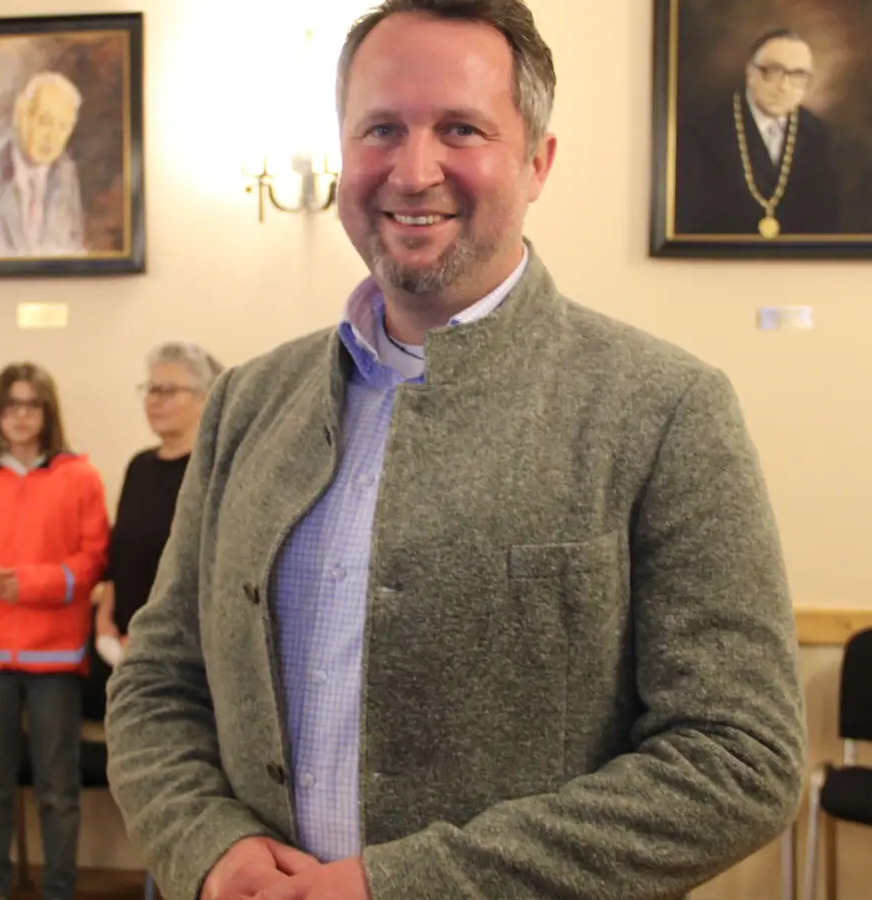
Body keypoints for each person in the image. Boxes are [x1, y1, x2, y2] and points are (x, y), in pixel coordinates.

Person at [104, 2, 805, 899]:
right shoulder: (247, 403)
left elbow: (740, 758)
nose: (414, 168)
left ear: (537, 161)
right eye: (381, 129)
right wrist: (208, 845)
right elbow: (159, 680)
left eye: (462, 128)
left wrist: (400, 885)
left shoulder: (665, 410)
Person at [0, 363, 110, 900]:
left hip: (55, 656)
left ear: (47, 413)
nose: (20, 415)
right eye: (10, 405)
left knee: (56, 789)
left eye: (31, 404)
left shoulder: (80, 476)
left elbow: (91, 563)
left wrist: (29, 585)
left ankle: (57, 891)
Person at [92, 341, 224, 674]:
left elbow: (210, 569)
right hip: (122, 648)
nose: (154, 401)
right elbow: (120, 557)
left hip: (186, 652)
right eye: (150, 389)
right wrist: (105, 622)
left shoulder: (217, 469)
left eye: (167, 391)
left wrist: (152, 640)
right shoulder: (139, 467)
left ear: (205, 396)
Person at [675, 28, 841, 237]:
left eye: (797, 75)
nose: (783, 86)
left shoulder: (819, 133)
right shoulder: (704, 133)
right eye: (772, 71)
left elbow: (828, 219)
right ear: (750, 73)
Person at [0, 71, 87, 259]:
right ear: (21, 115)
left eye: (63, 126)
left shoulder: (65, 173)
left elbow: (73, 250)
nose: (52, 137)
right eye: (45, 122)